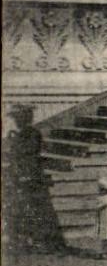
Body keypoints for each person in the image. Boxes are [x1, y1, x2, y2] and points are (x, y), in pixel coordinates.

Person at [2, 105, 66, 254]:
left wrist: (14, 144)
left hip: (32, 177)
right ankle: (29, 241)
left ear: (26, 118)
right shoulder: (21, 134)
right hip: (22, 176)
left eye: (18, 118)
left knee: (40, 210)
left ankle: (49, 243)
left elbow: (27, 154)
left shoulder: (31, 133)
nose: (17, 121)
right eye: (15, 118)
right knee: (25, 210)